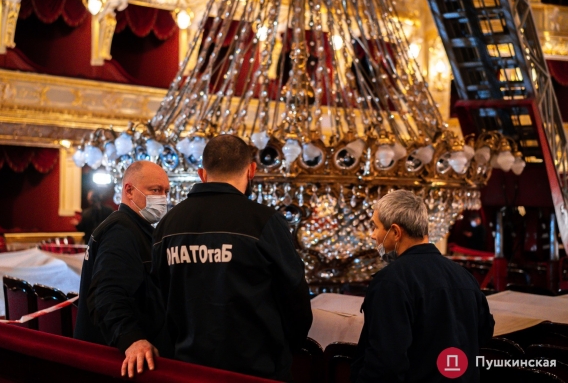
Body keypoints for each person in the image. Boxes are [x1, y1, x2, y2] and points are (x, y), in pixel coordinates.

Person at [152, 134, 313, 381]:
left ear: (202, 174)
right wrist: (283, 352)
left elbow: (157, 299)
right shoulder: (264, 221)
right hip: (256, 371)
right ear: (251, 170)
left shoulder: (168, 224)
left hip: (187, 368)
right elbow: (296, 300)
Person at [351, 189, 495, 383]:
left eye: (376, 227)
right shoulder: (464, 276)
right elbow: (484, 332)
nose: (373, 235)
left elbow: (385, 364)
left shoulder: (391, 281)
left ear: (395, 232)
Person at [74, 160, 170, 378]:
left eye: (166, 191)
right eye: (155, 190)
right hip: (113, 362)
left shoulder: (131, 227)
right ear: (129, 190)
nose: (162, 198)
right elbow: (106, 294)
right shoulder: (121, 230)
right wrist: (131, 339)